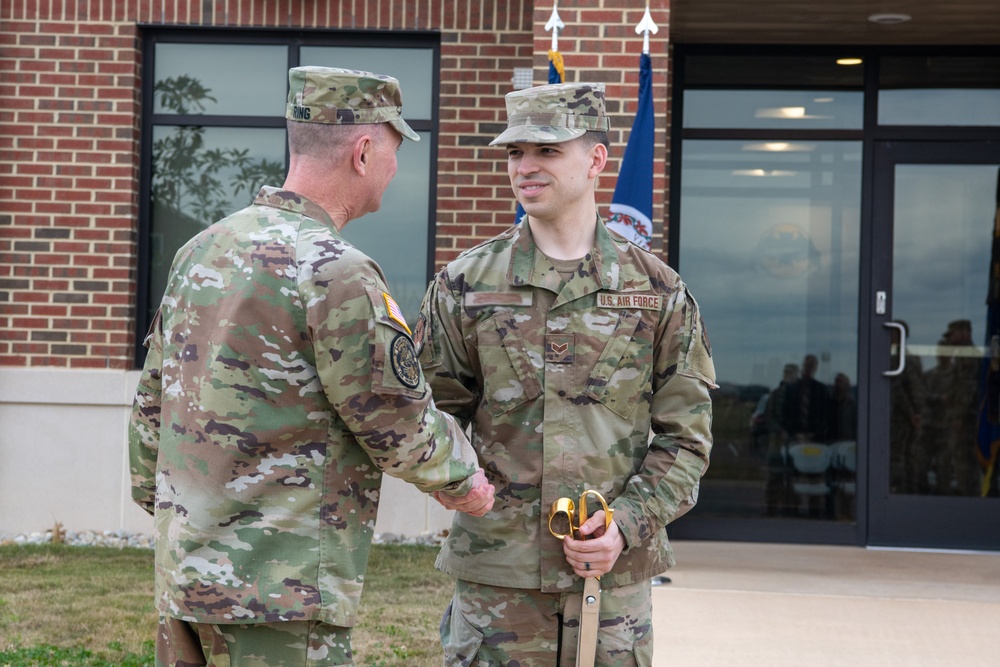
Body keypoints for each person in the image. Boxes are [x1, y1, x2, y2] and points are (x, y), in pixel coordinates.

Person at [128, 66, 495, 667]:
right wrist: (467, 482)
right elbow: (395, 422)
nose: (395, 170)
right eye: (395, 151)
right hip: (281, 590)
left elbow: (151, 409)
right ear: (364, 150)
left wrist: (173, 512)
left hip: (187, 580)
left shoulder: (202, 250)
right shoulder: (337, 269)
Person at [415, 82, 716, 666]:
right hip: (498, 582)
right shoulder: (466, 285)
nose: (524, 167)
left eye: (547, 151)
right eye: (514, 152)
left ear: (596, 159)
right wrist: (465, 491)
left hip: (612, 582)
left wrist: (626, 525)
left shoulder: (657, 292)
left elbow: (688, 437)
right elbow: (430, 418)